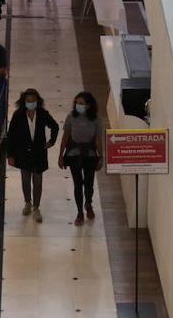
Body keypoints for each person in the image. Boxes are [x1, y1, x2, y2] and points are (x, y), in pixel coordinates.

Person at [6, 89, 59, 222]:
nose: (31, 103)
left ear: (37, 101)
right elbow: (10, 135)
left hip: (39, 153)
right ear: (24, 101)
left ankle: (36, 207)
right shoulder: (18, 115)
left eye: (33, 101)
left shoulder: (42, 113)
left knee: (37, 181)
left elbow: (55, 126)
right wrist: (10, 155)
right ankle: (27, 203)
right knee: (25, 180)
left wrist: (51, 142)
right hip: (23, 153)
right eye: (28, 101)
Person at [59, 91, 104, 226]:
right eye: (77, 103)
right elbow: (65, 137)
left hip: (89, 154)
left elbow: (97, 140)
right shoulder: (71, 117)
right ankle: (79, 212)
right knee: (78, 184)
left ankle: (88, 203)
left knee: (89, 184)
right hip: (74, 154)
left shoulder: (95, 120)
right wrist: (61, 155)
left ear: (88, 105)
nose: (78, 105)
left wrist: (100, 157)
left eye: (81, 103)